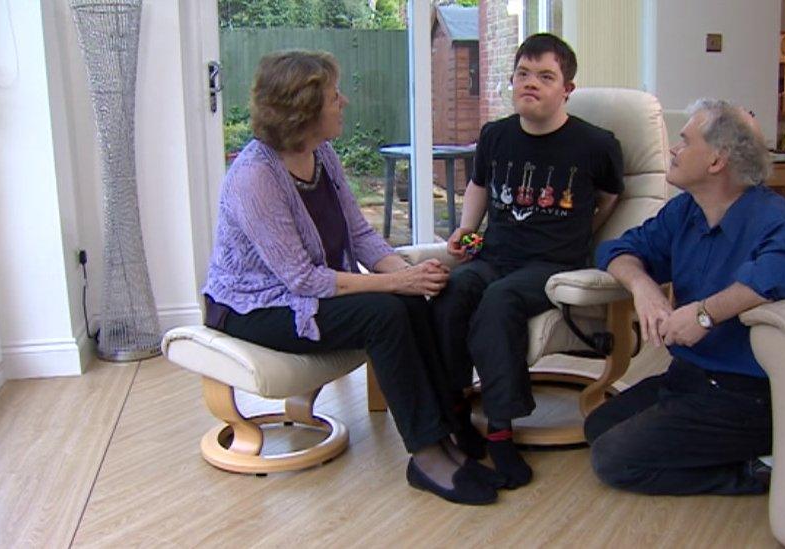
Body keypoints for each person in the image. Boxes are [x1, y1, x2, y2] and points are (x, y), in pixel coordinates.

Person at [202, 50, 502, 505]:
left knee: (408, 299)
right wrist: (394, 284)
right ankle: (426, 454)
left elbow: (360, 236)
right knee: (385, 311)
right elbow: (302, 280)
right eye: (333, 96)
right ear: (302, 109)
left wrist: (410, 274)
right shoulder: (254, 178)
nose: (344, 102)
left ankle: (449, 433)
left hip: (300, 293)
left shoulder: (321, 154)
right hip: (253, 308)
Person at [585, 99, 785, 495]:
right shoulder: (685, 212)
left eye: (684, 140)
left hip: (746, 395)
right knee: (598, 426)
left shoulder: (774, 219)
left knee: (614, 459)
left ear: (716, 161)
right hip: (690, 377)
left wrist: (706, 314)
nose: (674, 150)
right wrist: (643, 288)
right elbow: (616, 250)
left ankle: (755, 470)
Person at [432, 34, 624, 489]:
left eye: (545, 76)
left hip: (553, 264)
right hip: (496, 254)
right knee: (453, 291)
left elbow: (610, 198)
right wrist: (465, 229)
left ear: (567, 89)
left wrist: (582, 233)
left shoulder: (596, 144)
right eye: (522, 74)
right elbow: (479, 184)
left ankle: (499, 431)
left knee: (499, 302)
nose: (530, 84)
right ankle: (457, 408)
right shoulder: (495, 135)